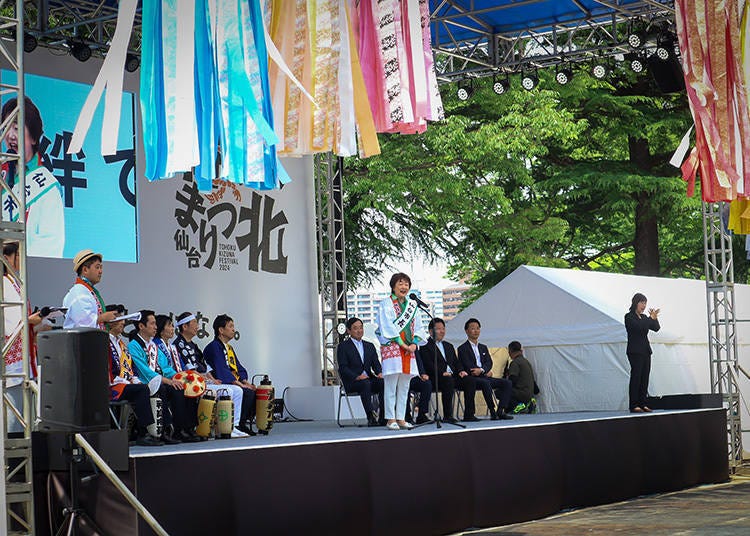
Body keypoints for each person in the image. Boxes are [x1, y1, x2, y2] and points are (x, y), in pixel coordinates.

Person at [0, 97, 65, 257]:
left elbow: (51, 244)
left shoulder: (47, 187)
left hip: (24, 270)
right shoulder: (2, 174)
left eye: (16, 128)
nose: (10, 135)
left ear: (34, 138)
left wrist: (13, 258)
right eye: (6, 128)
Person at [174, 312, 249, 437]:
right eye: (194, 323)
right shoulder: (178, 345)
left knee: (237, 391)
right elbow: (189, 370)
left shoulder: (193, 345)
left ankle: (233, 426)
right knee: (228, 391)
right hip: (192, 382)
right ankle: (223, 428)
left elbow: (205, 367)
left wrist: (213, 379)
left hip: (203, 381)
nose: (197, 326)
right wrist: (205, 378)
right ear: (185, 327)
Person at [128, 310, 199, 444]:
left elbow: (165, 367)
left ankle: (182, 429)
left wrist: (179, 377)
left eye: (156, 324)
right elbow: (145, 371)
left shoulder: (153, 345)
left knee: (183, 387)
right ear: (141, 326)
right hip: (144, 381)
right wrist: (167, 381)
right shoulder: (133, 346)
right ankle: (165, 430)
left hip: (158, 380)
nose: (155, 327)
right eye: (152, 324)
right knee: (165, 389)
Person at [375, 273, 427, 431]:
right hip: (393, 347)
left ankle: (401, 418)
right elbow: (387, 326)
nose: (404, 287)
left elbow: (419, 327)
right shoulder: (386, 304)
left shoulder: (412, 305)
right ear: (393, 286)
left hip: (408, 350)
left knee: (405, 385)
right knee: (391, 385)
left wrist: (414, 343)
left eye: (406, 284)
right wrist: (402, 344)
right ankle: (390, 418)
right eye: (400, 284)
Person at [105, 305, 162, 447]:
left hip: (124, 383)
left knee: (144, 388)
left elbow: (131, 369)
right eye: (119, 319)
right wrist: (129, 382)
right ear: (109, 321)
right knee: (141, 390)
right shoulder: (103, 341)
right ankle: (143, 433)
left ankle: (156, 431)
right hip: (112, 385)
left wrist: (134, 380)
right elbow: (108, 371)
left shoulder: (121, 343)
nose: (123, 322)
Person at [3, 241, 42, 433]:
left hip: (24, 356)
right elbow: (10, 324)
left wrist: (37, 325)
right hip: (12, 360)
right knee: (12, 416)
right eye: (18, 255)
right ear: (7, 258)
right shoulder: (4, 284)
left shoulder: (16, 282)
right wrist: (31, 321)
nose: (21, 259)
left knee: (23, 415)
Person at [203, 314, 257, 435]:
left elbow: (238, 367)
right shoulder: (214, 347)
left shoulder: (229, 348)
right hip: (220, 381)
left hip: (232, 381)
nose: (233, 329)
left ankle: (242, 423)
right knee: (246, 392)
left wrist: (246, 382)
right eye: (230, 326)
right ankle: (237, 424)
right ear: (221, 330)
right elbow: (221, 370)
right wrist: (240, 384)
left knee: (254, 391)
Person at [456, 318, 513, 421]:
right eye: (473, 328)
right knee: (485, 383)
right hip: (473, 378)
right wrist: (479, 371)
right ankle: (492, 410)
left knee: (507, 383)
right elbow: (467, 364)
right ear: (467, 331)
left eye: (478, 328)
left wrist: (482, 370)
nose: (476, 331)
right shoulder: (462, 348)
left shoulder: (483, 347)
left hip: (484, 375)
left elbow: (489, 362)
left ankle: (501, 410)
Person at [336, 317, 385, 427]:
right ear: (348, 331)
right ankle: (370, 417)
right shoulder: (343, 347)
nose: (359, 331)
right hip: (353, 382)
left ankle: (383, 417)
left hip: (368, 379)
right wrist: (357, 376)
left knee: (383, 383)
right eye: (355, 328)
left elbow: (376, 364)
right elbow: (343, 368)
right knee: (365, 384)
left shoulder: (369, 346)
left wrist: (379, 373)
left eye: (361, 328)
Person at [62, 249, 118, 329]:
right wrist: (103, 318)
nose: (100, 271)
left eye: (101, 267)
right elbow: (83, 324)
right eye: (97, 267)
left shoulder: (86, 290)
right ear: (85, 270)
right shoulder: (79, 292)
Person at [624, 293, 660, 413]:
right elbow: (639, 327)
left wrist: (655, 318)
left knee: (645, 377)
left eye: (645, 303)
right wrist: (650, 319)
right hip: (635, 351)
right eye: (642, 302)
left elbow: (656, 328)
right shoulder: (629, 317)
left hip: (645, 350)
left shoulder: (644, 317)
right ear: (635, 302)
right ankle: (633, 404)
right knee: (636, 377)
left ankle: (642, 403)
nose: (644, 305)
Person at [419, 317, 458, 423]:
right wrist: (442, 373)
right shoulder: (425, 346)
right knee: (448, 381)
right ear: (431, 331)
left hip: (451, 375)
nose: (442, 331)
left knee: (468, 380)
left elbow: (456, 363)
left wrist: (459, 371)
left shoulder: (449, 346)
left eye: (443, 329)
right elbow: (428, 364)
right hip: (435, 377)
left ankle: (469, 414)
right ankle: (448, 415)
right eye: (438, 329)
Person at [505, 341, 537, 414]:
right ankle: (528, 404)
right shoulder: (526, 362)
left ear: (510, 351)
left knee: (500, 392)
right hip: (530, 393)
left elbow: (512, 380)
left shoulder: (515, 363)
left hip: (522, 393)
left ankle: (518, 406)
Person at [406, 351, 432, 424]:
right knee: (405, 386)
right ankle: (406, 415)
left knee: (427, 384)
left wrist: (422, 373)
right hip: (403, 375)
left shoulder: (415, 346)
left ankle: (422, 415)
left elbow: (418, 360)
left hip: (414, 376)